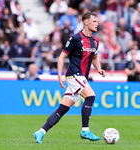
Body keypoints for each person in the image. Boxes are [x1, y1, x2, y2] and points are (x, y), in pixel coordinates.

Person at [33, 11, 106, 143]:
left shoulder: (95, 41)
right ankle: (85, 131)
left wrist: (99, 68)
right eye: (94, 21)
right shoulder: (75, 38)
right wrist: (60, 76)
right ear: (86, 22)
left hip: (82, 77)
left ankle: (40, 132)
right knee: (90, 96)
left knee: (63, 108)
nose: (97, 23)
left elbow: (94, 57)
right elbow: (62, 56)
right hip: (74, 75)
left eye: (97, 21)